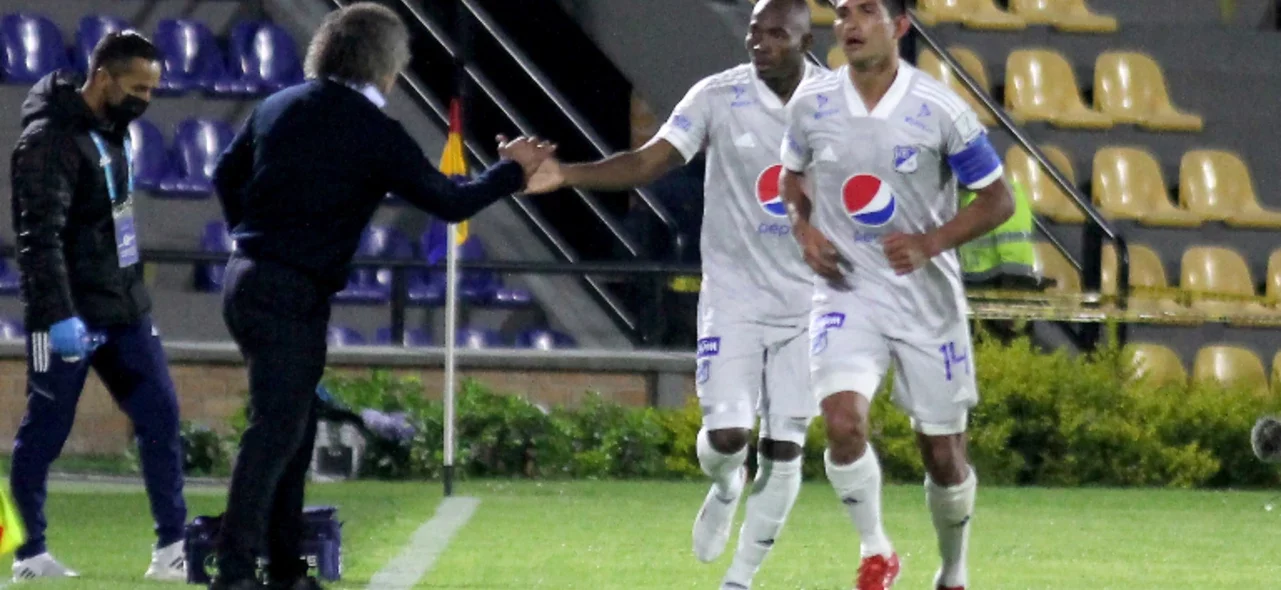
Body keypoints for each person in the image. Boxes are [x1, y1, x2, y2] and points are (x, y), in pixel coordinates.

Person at [207, 4, 554, 589]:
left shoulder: (277, 104)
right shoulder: (371, 130)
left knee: (293, 427)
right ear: (386, 65)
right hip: (291, 289)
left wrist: (256, 237)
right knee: (276, 431)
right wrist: (511, 172)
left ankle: (286, 570)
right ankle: (236, 571)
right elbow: (449, 201)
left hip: (250, 279)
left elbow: (222, 173)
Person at [531, 1, 821, 587]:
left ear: (804, 40)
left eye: (775, 34)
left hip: (812, 304)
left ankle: (740, 578)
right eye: (753, 31)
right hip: (733, 298)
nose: (758, 43)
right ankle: (723, 483)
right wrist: (568, 175)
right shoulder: (717, 95)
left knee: (786, 450)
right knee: (727, 439)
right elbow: (646, 163)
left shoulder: (838, 104)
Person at [778, 1, 1013, 589]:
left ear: (900, 27)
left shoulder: (939, 109)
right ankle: (876, 550)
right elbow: (791, 178)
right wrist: (802, 229)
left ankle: (953, 572)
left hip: (924, 302)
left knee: (942, 456)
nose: (849, 25)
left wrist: (932, 242)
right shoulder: (811, 104)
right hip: (845, 292)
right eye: (841, 13)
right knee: (841, 423)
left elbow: (998, 200)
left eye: (865, 12)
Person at [7, 31, 189, 583]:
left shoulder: (113, 135)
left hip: (124, 311)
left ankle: (172, 549)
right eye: (137, 87)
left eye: (153, 90)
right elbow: (39, 237)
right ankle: (28, 554)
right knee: (45, 432)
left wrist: (134, 298)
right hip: (67, 316)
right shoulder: (48, 141)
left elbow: (113, 228)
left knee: (160, 417)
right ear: (103, 77)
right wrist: (58, 314)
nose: (145, 99)